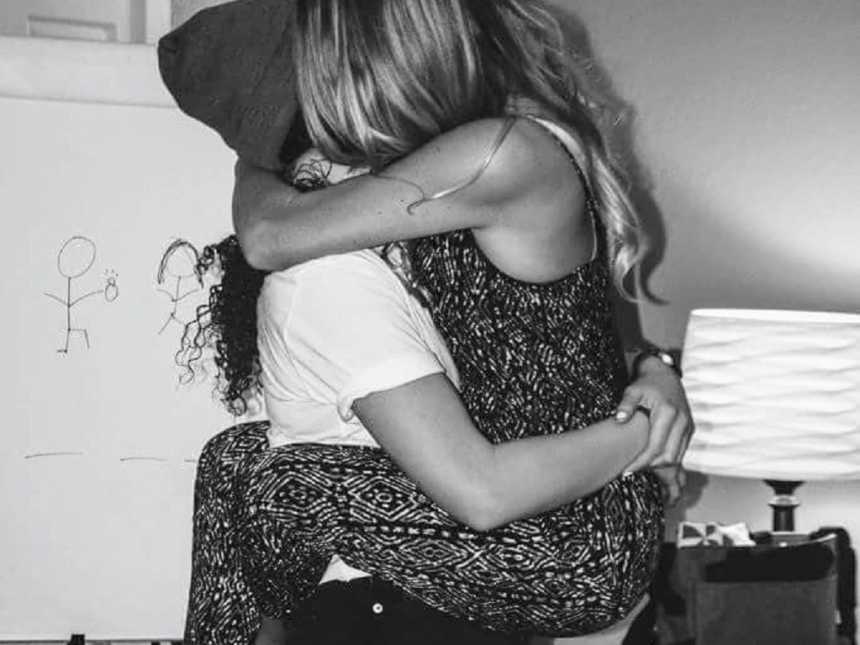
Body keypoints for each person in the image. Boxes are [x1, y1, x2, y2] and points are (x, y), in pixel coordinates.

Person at [166, 1, 693, 643]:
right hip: (557, 503)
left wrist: (641, 437)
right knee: (236, 458)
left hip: (574, 537)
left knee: (263, 482)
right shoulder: (464, 160)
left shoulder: (501, 153)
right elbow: (588, 340)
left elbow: (269, 235)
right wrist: (655, 372)